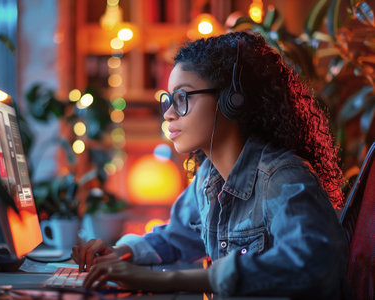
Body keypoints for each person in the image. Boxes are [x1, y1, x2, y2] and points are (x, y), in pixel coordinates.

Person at [71, 31, 349, 299]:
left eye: (182, 98)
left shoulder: (282, 178)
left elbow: (312, 265)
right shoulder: (208, 179)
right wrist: (119, 254)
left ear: (231, 99)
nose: (168, 113)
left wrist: (164, 280)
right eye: (168, 100)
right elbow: (174, 237)